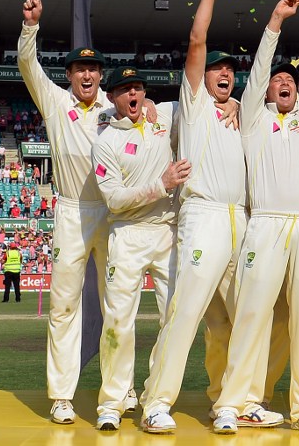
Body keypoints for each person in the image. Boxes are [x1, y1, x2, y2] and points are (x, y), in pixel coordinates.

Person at [139, 0, 251, 434]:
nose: (224, 74)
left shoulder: (242, 114)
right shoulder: (195, 103)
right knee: (185, 312)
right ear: (199, 78)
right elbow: (197, 38)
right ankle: (155, 403)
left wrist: (240, 107)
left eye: (230, 71)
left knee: (234, 320)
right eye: (216, 69)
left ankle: (228, 402)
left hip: (240, 219)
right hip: (203, 214)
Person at [211, 0, 299, 434]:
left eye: (290, 81)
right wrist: (276, 22)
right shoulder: (254, 120)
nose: (284, 83)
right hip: (265, 224)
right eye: (277, 80)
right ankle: (233, 401)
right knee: (252, 314)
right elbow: (260, 69)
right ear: (265, 89)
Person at [18, 0, 125, 424]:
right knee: (64, 306)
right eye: (80, 69)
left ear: (101, 75)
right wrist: (30, 28)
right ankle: (62, 396)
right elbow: (29, 66)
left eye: (93, 69)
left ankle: (121, 391)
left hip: (112, 212)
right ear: (69, 76)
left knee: (117, 304)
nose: (87, 74)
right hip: (71, 211)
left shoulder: (114, 109)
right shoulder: (55, 102)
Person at [92, 67, 191, 431]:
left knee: (172, 319)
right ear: (113, 98)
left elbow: (202, 105)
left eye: (138, 89)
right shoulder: (105, 142)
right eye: (125, 90)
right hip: (128, 233)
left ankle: (156, 401)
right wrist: (161, 185)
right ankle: (112, 402)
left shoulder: (163, 114)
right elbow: (115, 201)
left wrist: (234, 108)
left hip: (167, 231)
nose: (133, 95)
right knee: (118, 321)